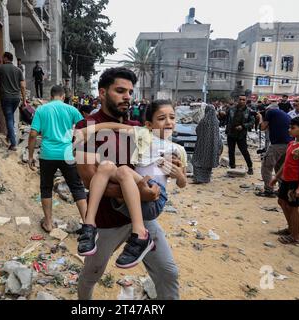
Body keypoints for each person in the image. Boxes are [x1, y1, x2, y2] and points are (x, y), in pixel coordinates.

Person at [74, 67, 180, 300]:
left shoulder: (138, 128)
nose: (127, 97)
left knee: (168, 273)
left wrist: (169, 167)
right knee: (92, 274)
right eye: (120, 91)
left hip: (140, 218)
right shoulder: (85, 128)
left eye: (130, 92)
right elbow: (90, 179)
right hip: (106, 221)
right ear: (102, 93)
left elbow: (156, 165)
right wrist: (135, 194)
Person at [75, 100, 187, 268]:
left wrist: (178, 175)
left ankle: (141, 234)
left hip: (155, 196)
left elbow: (182, 183)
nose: (169, 122)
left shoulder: (178, 149)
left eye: (172, 117)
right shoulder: (143, 134)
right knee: (106, 166)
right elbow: (112, 126)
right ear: (149, 124)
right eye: (162, 118)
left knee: (124, 170)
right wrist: (85, 131)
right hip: (133, 192)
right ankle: (89, 225)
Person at [28, 85, 88, 232]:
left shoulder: (41, 110)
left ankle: (48, 223)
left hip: (47, 154)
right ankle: (88, 225)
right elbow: (84, 132)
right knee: (77, 187)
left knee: (46, 188)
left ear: (51, 96)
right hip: (67, 153)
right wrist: (75, 148)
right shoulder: (71, 110)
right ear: (63, 96)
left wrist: (30, 156)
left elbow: (33, 135)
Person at [269, 116, 299, 245]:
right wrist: (276, 178)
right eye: (290, 127)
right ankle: (290, 228)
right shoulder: (291, 143)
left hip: (296, 181)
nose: (289, 130)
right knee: (281, 201)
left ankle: (296, 236)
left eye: (293, 128)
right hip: (287, 179)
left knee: (293, 207)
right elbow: (286, 163)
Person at [0, 52, 26, 151]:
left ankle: (13, 144)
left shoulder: (0, 68)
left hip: (6, 98)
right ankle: (9, 136)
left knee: (9, 118)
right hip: (16, 98)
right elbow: (23, 86)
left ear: (5, 58)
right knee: (11, 117)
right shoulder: (18, 70)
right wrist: (24, 100)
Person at [256, 105, 292, 198]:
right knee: (279, 167)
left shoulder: (271, 112)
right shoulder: (285, 114)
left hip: (278, 144)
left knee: (266, 166)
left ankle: (269, 190)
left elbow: (262, 127)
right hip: (288, 144)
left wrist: (260, 118)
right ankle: (282, 189)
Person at [191, 105, 223, 184]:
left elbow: (197, 130)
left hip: (202, 146)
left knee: (198, 160)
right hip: (212, 146)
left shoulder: (203, 121)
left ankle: (198, 179)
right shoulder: (216, 122)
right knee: (208, 162)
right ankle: (206, 179)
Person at [225, 96, 255, 175]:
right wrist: (221, 114)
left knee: (244, 151)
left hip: (241, 134)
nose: (241, 101)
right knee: (231, 151)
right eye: (240, 99)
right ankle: (232, 167)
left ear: (246, 101)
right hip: (231, 133)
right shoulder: (231, 109)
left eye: (243, 100)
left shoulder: (249, 111)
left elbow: (252, 122)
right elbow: (225, 116)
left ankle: (250, 167)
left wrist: (243, 126)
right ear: (237, 100)